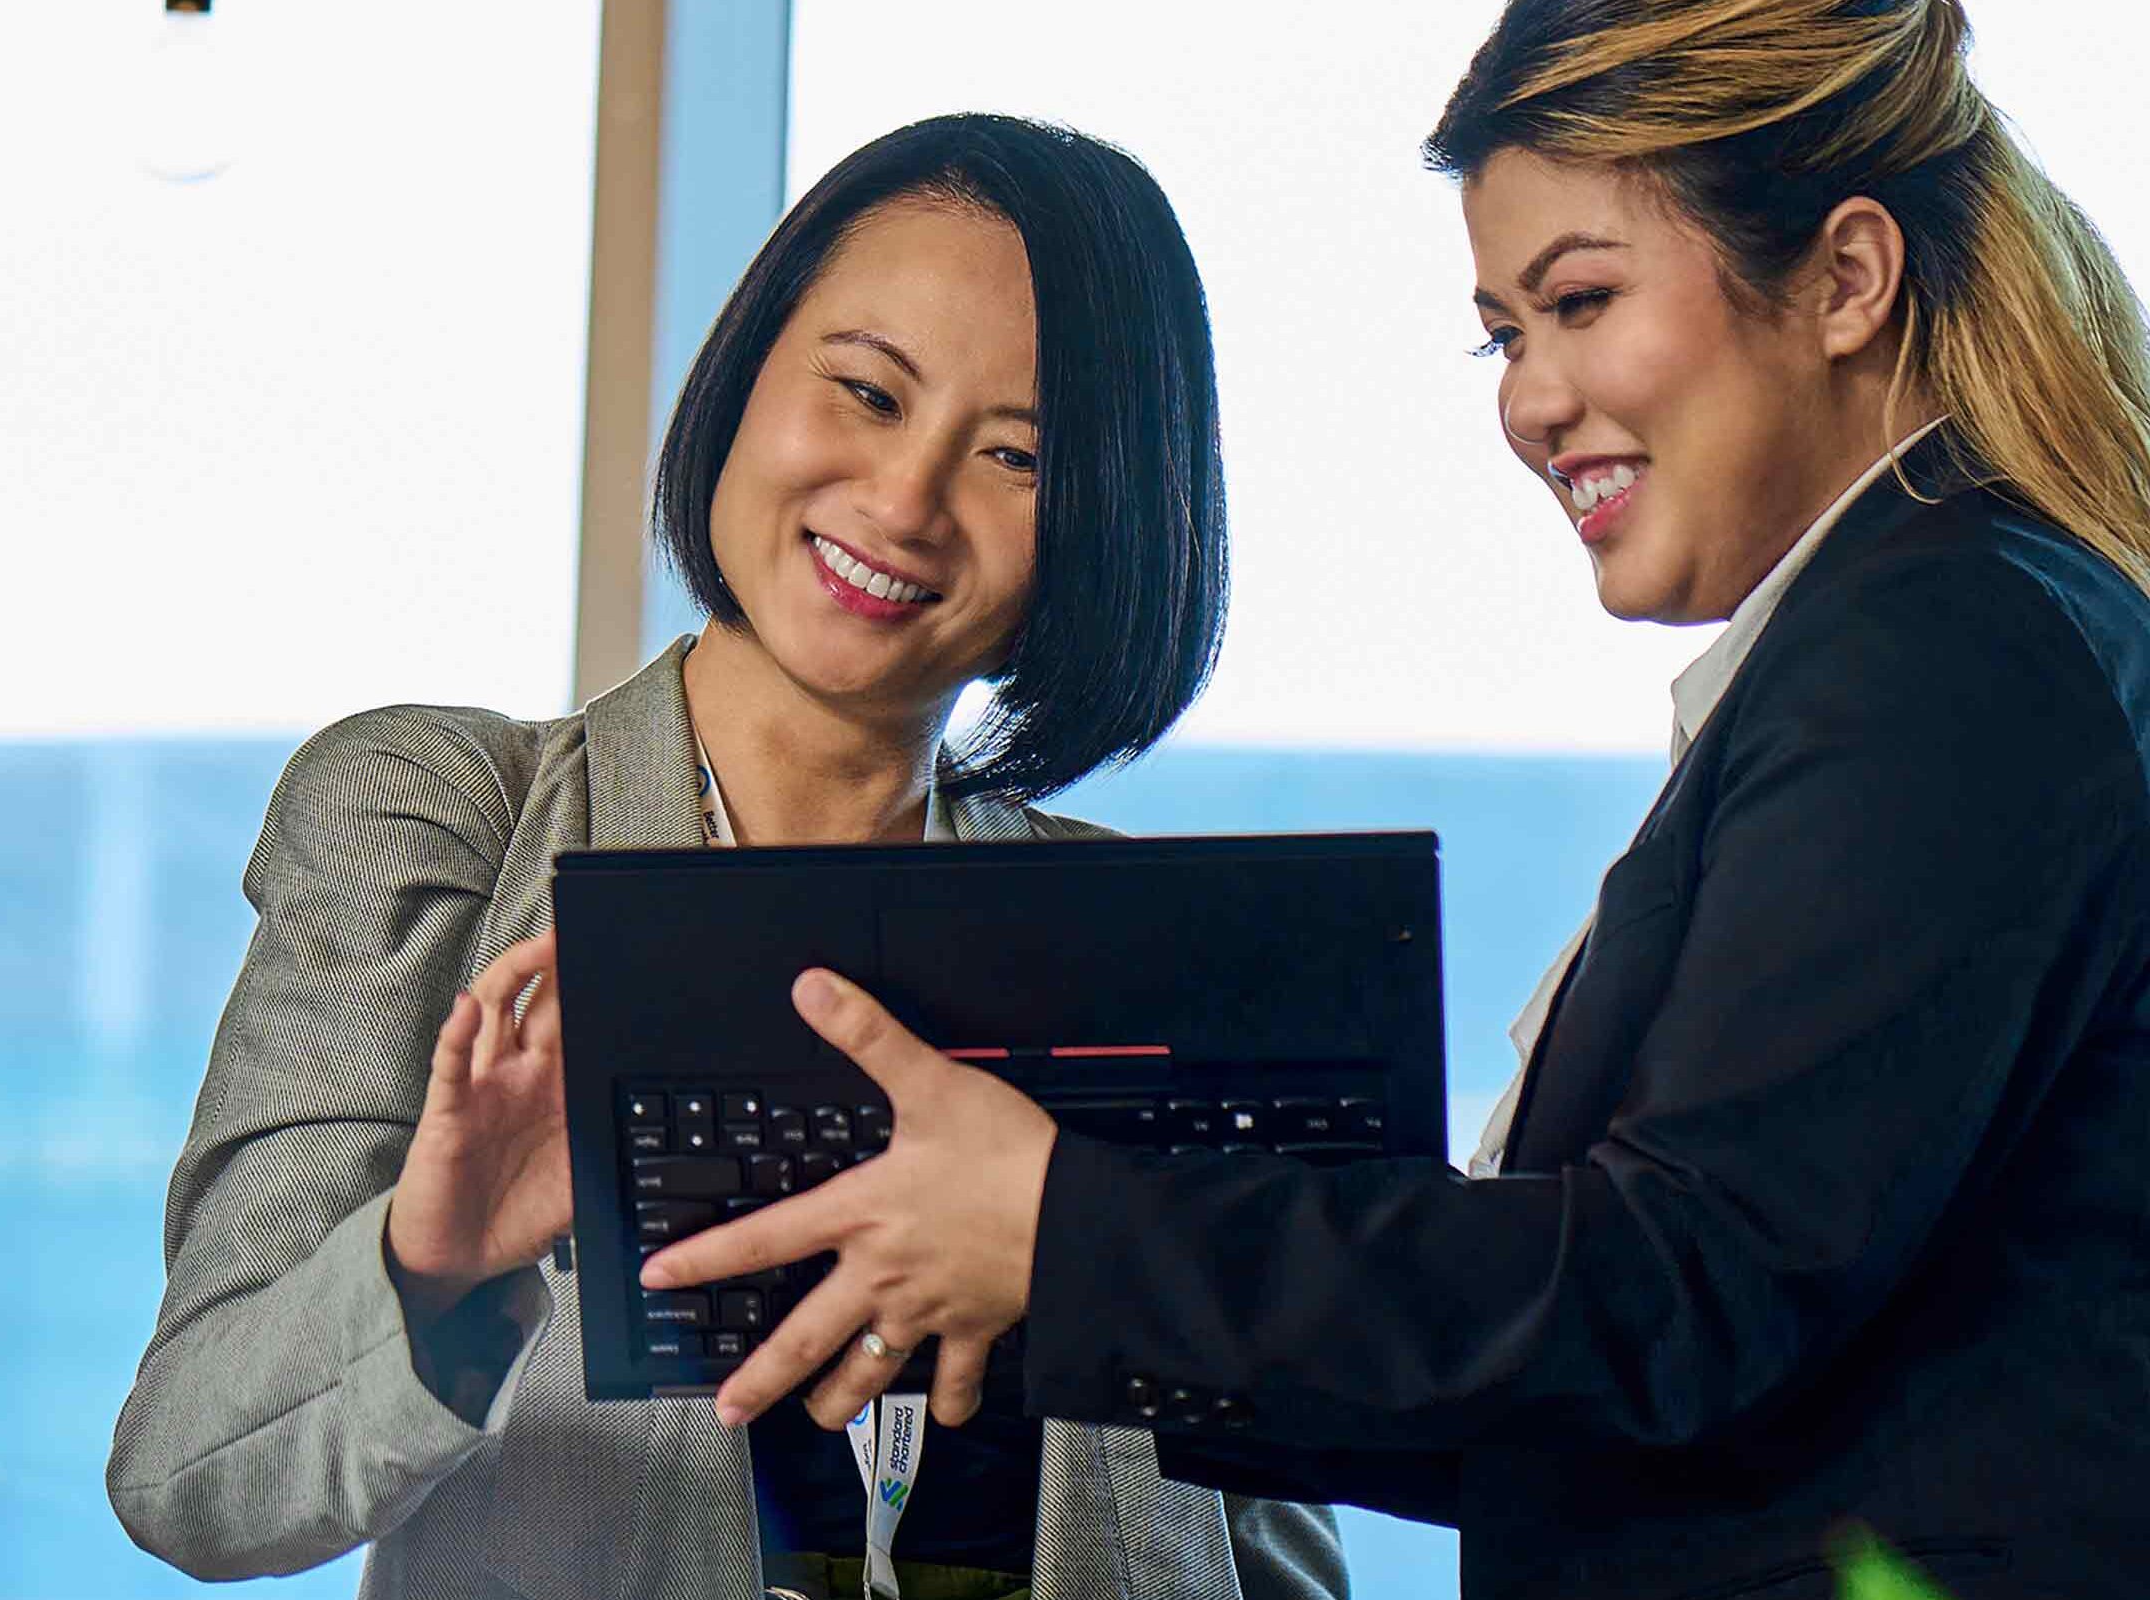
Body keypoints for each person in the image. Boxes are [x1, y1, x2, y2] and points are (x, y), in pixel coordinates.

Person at [641, 5, 2150, 1596]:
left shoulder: (1950, 654)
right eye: (1504, 332)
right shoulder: (1928, 636)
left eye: (1579, 301)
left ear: (1844, 280)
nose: (1528, 401)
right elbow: (1619, 1377)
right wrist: (1073, 1258)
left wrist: (1065, 1232)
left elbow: (1667, 1305)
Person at [105, 113, 1347, 1600]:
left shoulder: (1144, 951)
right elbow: (187, 1478)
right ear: (748, 380)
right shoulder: (437, 814)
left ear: (1110, 523)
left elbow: (1267, 1541)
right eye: (867, 392)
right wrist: (430, 1268)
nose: (902, 500)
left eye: (1015, 454)